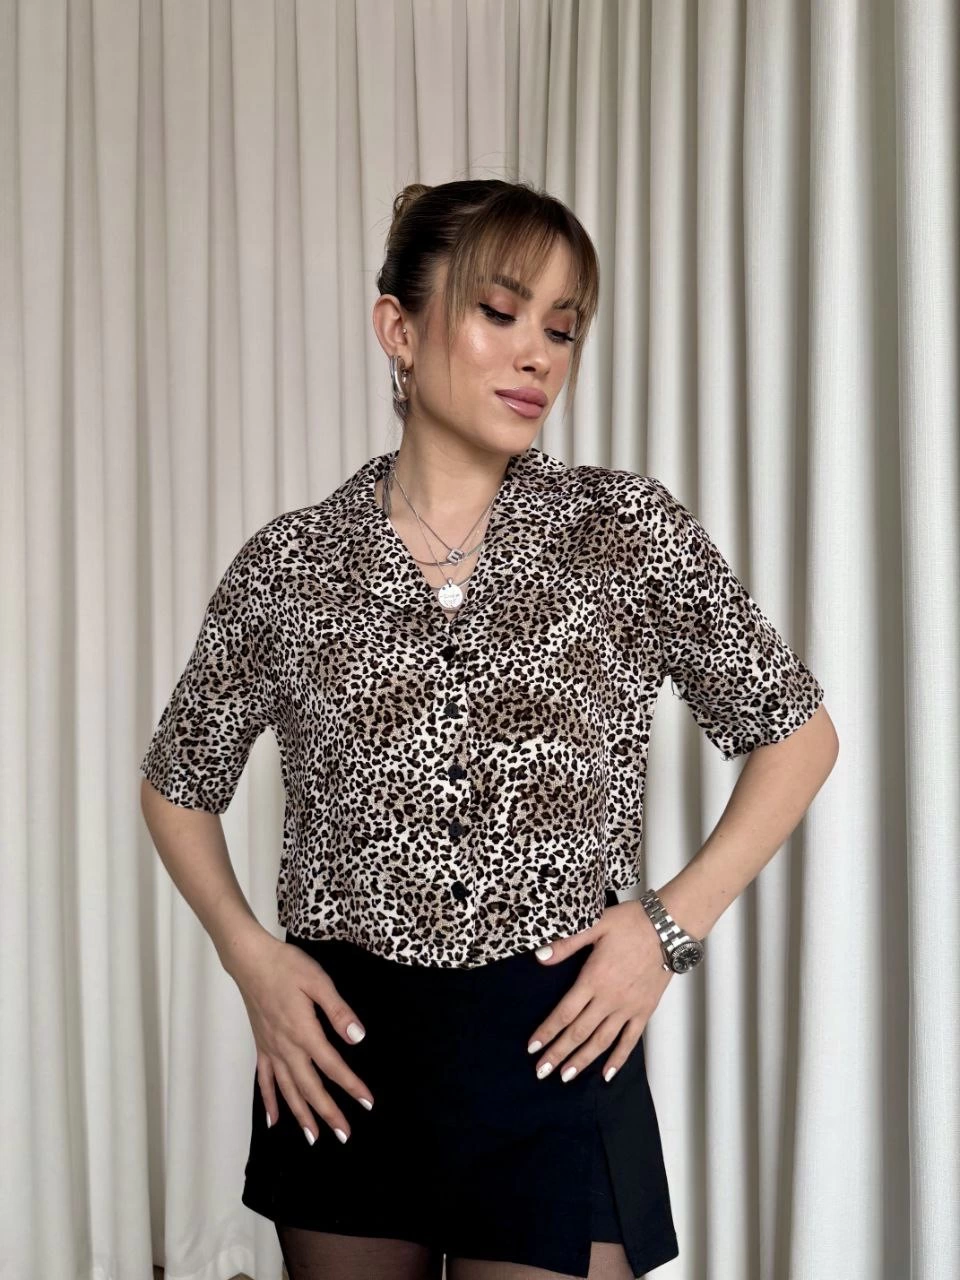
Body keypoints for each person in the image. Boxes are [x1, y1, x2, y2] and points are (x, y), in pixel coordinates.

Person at [140, 178, 835, 1280]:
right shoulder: (292, 563)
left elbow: (797, 736)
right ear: (399, 329)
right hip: (344, 1056)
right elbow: (178, 781)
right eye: (501, 312)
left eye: (561, 327)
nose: (537, 355)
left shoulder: (623, 529)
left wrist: (666, 928)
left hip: (559, 1037)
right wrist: (250, 958)